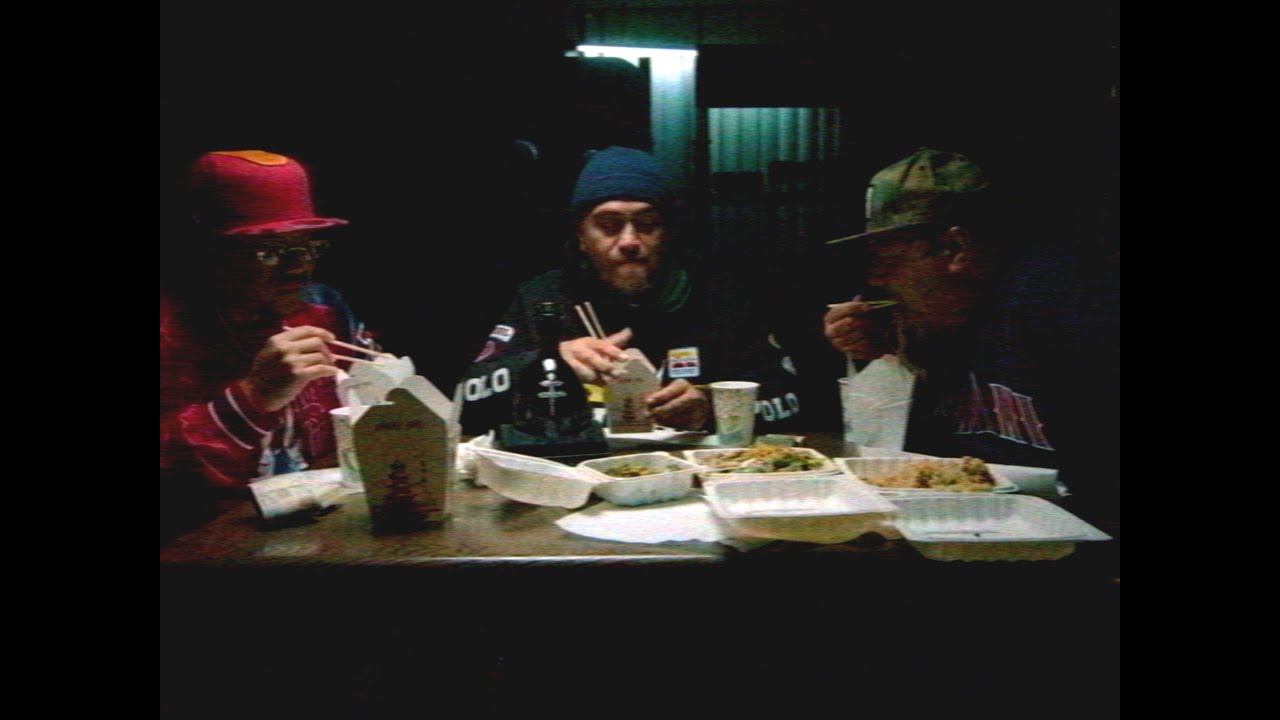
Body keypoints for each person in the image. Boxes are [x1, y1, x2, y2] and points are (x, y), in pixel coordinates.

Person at [822, 148, 1117, 502]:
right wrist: (889, 356)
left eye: (885, 258)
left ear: (955, 248)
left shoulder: (1074, 309)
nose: (876, 280)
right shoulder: (944, 326)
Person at [461, 146, 803, 436]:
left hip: (695, 475)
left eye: (647, 224)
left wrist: (711, 409)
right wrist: (545, 362)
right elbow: (468, 398)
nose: (629, 241)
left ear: (668, 233)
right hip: (577, 469)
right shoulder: (544, 297)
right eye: (608, 226)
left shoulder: (721, 298)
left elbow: (791, 399)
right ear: (581, 237)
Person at [160, 150, 374, 535]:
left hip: (325, 531)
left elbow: (369, 420)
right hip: (202, 550)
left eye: (308, 246)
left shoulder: (325, 308)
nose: (300, 266)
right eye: (270, 252)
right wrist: (252, 397)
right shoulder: (170, 331)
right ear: (209, 252)